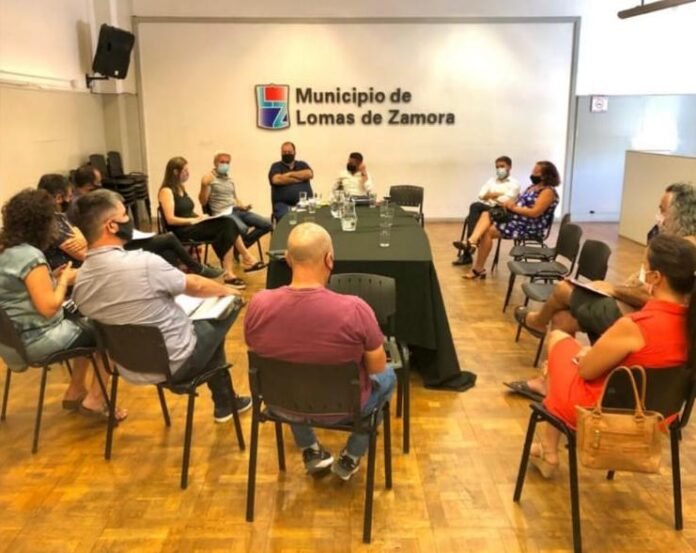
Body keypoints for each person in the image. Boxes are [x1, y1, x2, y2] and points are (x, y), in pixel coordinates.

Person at [71, 189, 251, 421]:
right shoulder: (144, 263)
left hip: (129, 367)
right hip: (176, 362)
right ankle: (224, 401)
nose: (128, 219)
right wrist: (227, 291)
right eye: (124, 214)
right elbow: (195, 285)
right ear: (112, 226)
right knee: (226, 307)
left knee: (200, 324)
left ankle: (225, 400)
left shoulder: (80, 280)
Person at [526, 234, 696, 478]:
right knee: (573, 352)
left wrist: (587, 355)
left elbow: (586, 372)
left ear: (656, 278)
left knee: (558, 340)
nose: (641, 274)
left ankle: (549, 449)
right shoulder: (689, 326)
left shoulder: (635, 326)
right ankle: (547, 448)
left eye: (645, 267)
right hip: (660, 416)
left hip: (602, 414)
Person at [506, 183, 696, 400]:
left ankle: (537, 322)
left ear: (679, 215)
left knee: (563, 289)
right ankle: (548, 383)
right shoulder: (675, 247)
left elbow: (655, 296)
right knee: (561, 318)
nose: (658, 216)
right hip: (637, 313)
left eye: (662, 210)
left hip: (639, 318)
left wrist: (613, 290)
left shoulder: (682, 253)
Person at [244, 222, 396, 481]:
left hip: (281, 404)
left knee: (292, 374)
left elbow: (255, 347)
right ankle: (352, 455)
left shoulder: (258, 304)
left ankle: (310, 449)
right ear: (329, 259)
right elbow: (376, 367)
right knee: (388, 376)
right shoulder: (355, 308)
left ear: (288, 259)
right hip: (345, 408)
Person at [0, 189, 124, 421]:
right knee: (114, 328)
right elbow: (49, 308)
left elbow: (22, 295)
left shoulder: (7, 253)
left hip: (17, 339)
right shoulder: (29, 256)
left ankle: (75, 390)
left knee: (84, 316)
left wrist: (54, 278)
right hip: (39, 339)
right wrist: (64, 280)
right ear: (41, 223)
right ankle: (96, 400)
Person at [158, 156, 247, 288]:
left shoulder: (181, 188)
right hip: (181, 230)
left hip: (191, 225)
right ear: (175, 172)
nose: (188, 173)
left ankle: (231, 271)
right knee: (226, 225)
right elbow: (170, 219)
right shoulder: (166, 191)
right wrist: (193, 220)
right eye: (185, 171)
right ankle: (239, 263)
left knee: (227, 223)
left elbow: (187, 211)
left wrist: (201, 217)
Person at [461, 161, 560, 280]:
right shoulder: (532, 187)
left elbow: (534, 213)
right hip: (517, 220)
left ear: (545, 175)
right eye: (533, 171)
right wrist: (510, 204)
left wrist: (513, 208)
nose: (532, 174)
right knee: (486, 215)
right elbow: (519, 202)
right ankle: (473, 245)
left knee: (487, 229)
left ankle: (474, 253)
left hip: (529, 226)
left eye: (536, 172)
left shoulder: (548, 192)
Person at [199, 151, 271, 271]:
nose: (225, 165)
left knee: (267, 224)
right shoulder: (209, 179)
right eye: (222, 162)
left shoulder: (229, 179)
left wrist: (242, 206)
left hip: (236, 210)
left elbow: (234, 197)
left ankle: (238, 249)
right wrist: (204, 186)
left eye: (227, 162)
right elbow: (203, 201)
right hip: (222, 213)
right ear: (215, 163)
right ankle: (244, 254)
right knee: (242, 229)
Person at [452, 156, 520, 265]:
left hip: (502, 211)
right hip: (488, 209)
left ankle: (468, 250)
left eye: (502, 166)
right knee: (475, 206)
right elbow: (481, 195)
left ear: (509, 167)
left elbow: (504, 200)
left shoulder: (514, 184)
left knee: (476, 209)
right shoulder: (491, 181)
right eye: (497, 167)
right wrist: (497, 195)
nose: (499, 169)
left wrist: (490, 195)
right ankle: (471, 244)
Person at [37, 174, 88, 270]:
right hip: (65, 274)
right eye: (69, 196)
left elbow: (74, 229)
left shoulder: (57, 216)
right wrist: (85, 241)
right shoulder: (51, 222)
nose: (71, 200)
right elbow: (83, 255)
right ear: (58, 198)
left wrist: (81, 237)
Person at [268, 141, 314, 219]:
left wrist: (290, 174)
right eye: (284, 152)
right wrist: (298, 179)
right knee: (289, 217)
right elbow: (276, 179)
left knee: (315, 215)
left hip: (305, 203)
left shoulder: (302, 164)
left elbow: (309, 174)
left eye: (289, 152)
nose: (287, 154)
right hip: (283, 205)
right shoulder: (276, 166)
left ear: (294, 152)